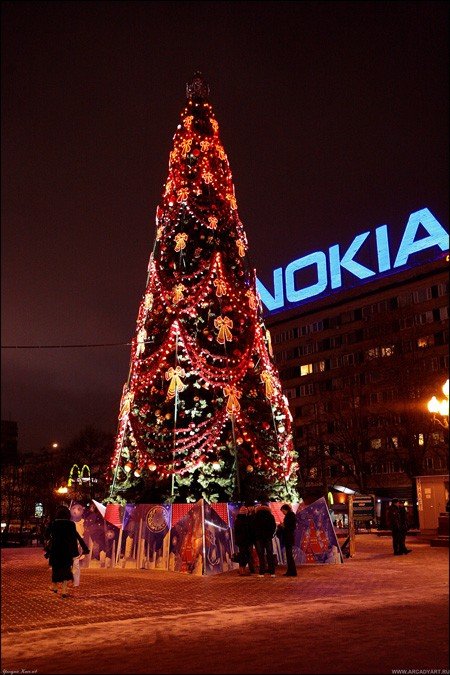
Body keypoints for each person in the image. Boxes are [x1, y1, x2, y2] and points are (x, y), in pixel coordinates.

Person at [45, 505, 89, 597]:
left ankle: (55, 586)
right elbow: (77, 536)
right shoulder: (71, 524)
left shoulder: (54, 524)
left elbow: (46, 535)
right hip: (67, 551)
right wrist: (85, 548)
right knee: (66, 569)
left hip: (56, 550)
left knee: (56, 568)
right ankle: (64, 590)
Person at [253, 500, 277, 577]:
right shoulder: (270, 516)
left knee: (261, 555)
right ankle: (272, 572)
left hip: (259, 538)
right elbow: (273, 526)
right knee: (270, 554)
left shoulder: (256, 516)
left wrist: (256, 535)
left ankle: (261, 572)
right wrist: (271, 534)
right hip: (268, 537)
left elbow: (253, 527)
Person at [233, 506, 255, 575]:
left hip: (240, 540)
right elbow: (249, 530)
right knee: (245, 555)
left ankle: (241, 569)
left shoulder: (237, 520)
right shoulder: (246, 520)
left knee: (243, 554)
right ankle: (242, 570)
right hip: (245, 540)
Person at [279, 503, 297, 576]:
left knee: (289, 555)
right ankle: (290, 571)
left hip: (288, 537)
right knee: (289, 555)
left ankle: (291, 571)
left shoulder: (290, 516)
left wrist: (283, 526)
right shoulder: (290, 515)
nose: (283, 512)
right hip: (289, 537)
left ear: (286, 509)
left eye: (283, 511)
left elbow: (289, 526)